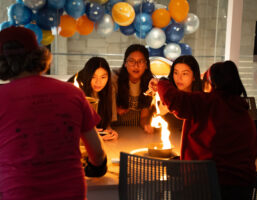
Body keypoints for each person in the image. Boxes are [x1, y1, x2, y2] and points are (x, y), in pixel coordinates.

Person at [0, 27, 107, 200]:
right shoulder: (73, 93)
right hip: (71, 193)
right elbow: (97, 153)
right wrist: (95, 168)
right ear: (39, 55)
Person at [148, 60, 257, 200]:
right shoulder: (243, 112)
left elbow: (175, 100)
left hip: (206, 186)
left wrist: (161, 82)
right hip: (241, 189)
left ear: (211, 83)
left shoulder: (208, 101)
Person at [68, 57, 118, 140]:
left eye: (103, 77)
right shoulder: (76, 88)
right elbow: (68, 126)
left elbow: (107, 120)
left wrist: (109, 131)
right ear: (87, 75)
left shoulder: (109, 89)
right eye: (93, 77)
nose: (98, 82)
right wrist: (92, 137)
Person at [112, 44, 154, 133]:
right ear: (125, 63)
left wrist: (147, 125)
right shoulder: (114, 79)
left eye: (141, 61)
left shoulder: (150, 84)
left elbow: (144, 116)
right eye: (131, 61)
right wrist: (115, 108)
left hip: (137, 131)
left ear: (146, 65)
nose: (136, 66)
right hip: (116, 130)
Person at [156, 55, 202, 131]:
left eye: (184, 74)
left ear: (194, 76)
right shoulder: (166, 94)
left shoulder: (201, 98)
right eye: (176, 73)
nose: (179, 78)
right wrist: (160, 113)